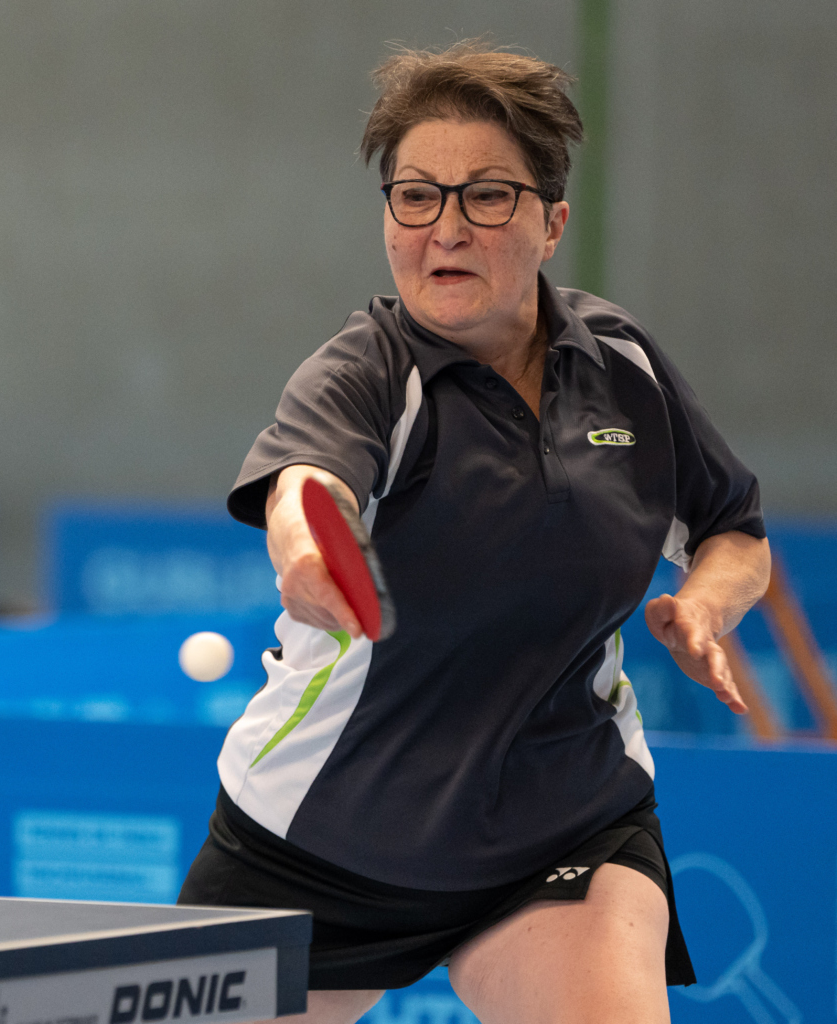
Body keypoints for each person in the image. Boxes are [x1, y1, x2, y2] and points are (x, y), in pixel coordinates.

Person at [179, 41, 770, 1024]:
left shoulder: (623, 366)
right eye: (415, 197)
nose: (445, 228)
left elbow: (734, 531)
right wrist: (309, 547)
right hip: (318, 838)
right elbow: (309, 486)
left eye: (488, 197)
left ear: (552, 223)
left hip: (562, 827)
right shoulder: (365, 371)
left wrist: (706, 604)